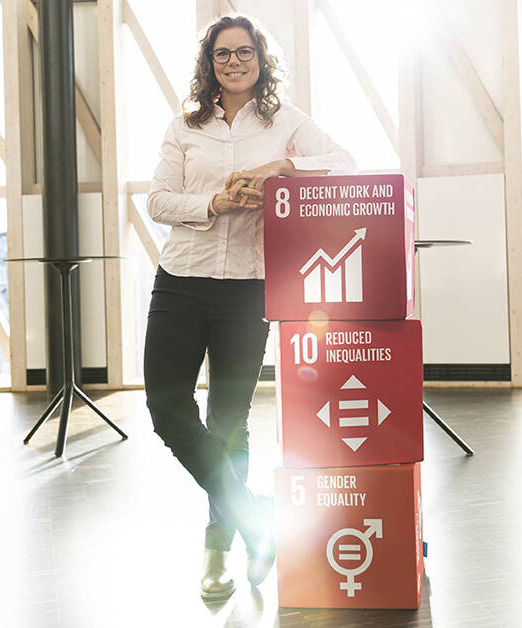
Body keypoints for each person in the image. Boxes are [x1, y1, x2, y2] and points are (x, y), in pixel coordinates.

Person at [144, 14, 355, 600]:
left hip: (247, 286)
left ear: (261, 59)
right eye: (222, 54)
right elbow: (158, 201)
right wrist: (213, 203)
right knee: (166, 408)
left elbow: (345, 161)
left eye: (244, 52)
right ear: (209, 64)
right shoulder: (184, 127)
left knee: (228, 421)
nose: (234, 62)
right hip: (181, 279)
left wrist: (283, 168)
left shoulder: (286, 122)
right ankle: (256, 514)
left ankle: (217, 549)